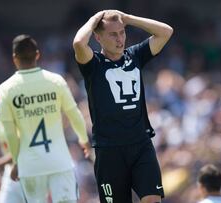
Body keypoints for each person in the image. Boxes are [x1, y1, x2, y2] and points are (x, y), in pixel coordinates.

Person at [73, 9, 173, 203]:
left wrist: (128, 19)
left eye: (122, 32)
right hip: (109, 151)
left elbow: (166, 32)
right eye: (112, 34)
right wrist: (94, 19)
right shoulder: (93, 64)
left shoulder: (135, 55)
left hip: (141, 144)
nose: (120, 39)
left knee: (153, 199)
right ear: (98, 37)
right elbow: (78, 43)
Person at [0, 34, 91, 203]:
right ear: (37, 55)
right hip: (58, 161)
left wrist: (17, 162)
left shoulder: (6, 89)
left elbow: (10, 134)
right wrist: (83, 139)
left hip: (30, 165)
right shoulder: (55, 81)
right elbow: (74, 114)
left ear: (14, 59)